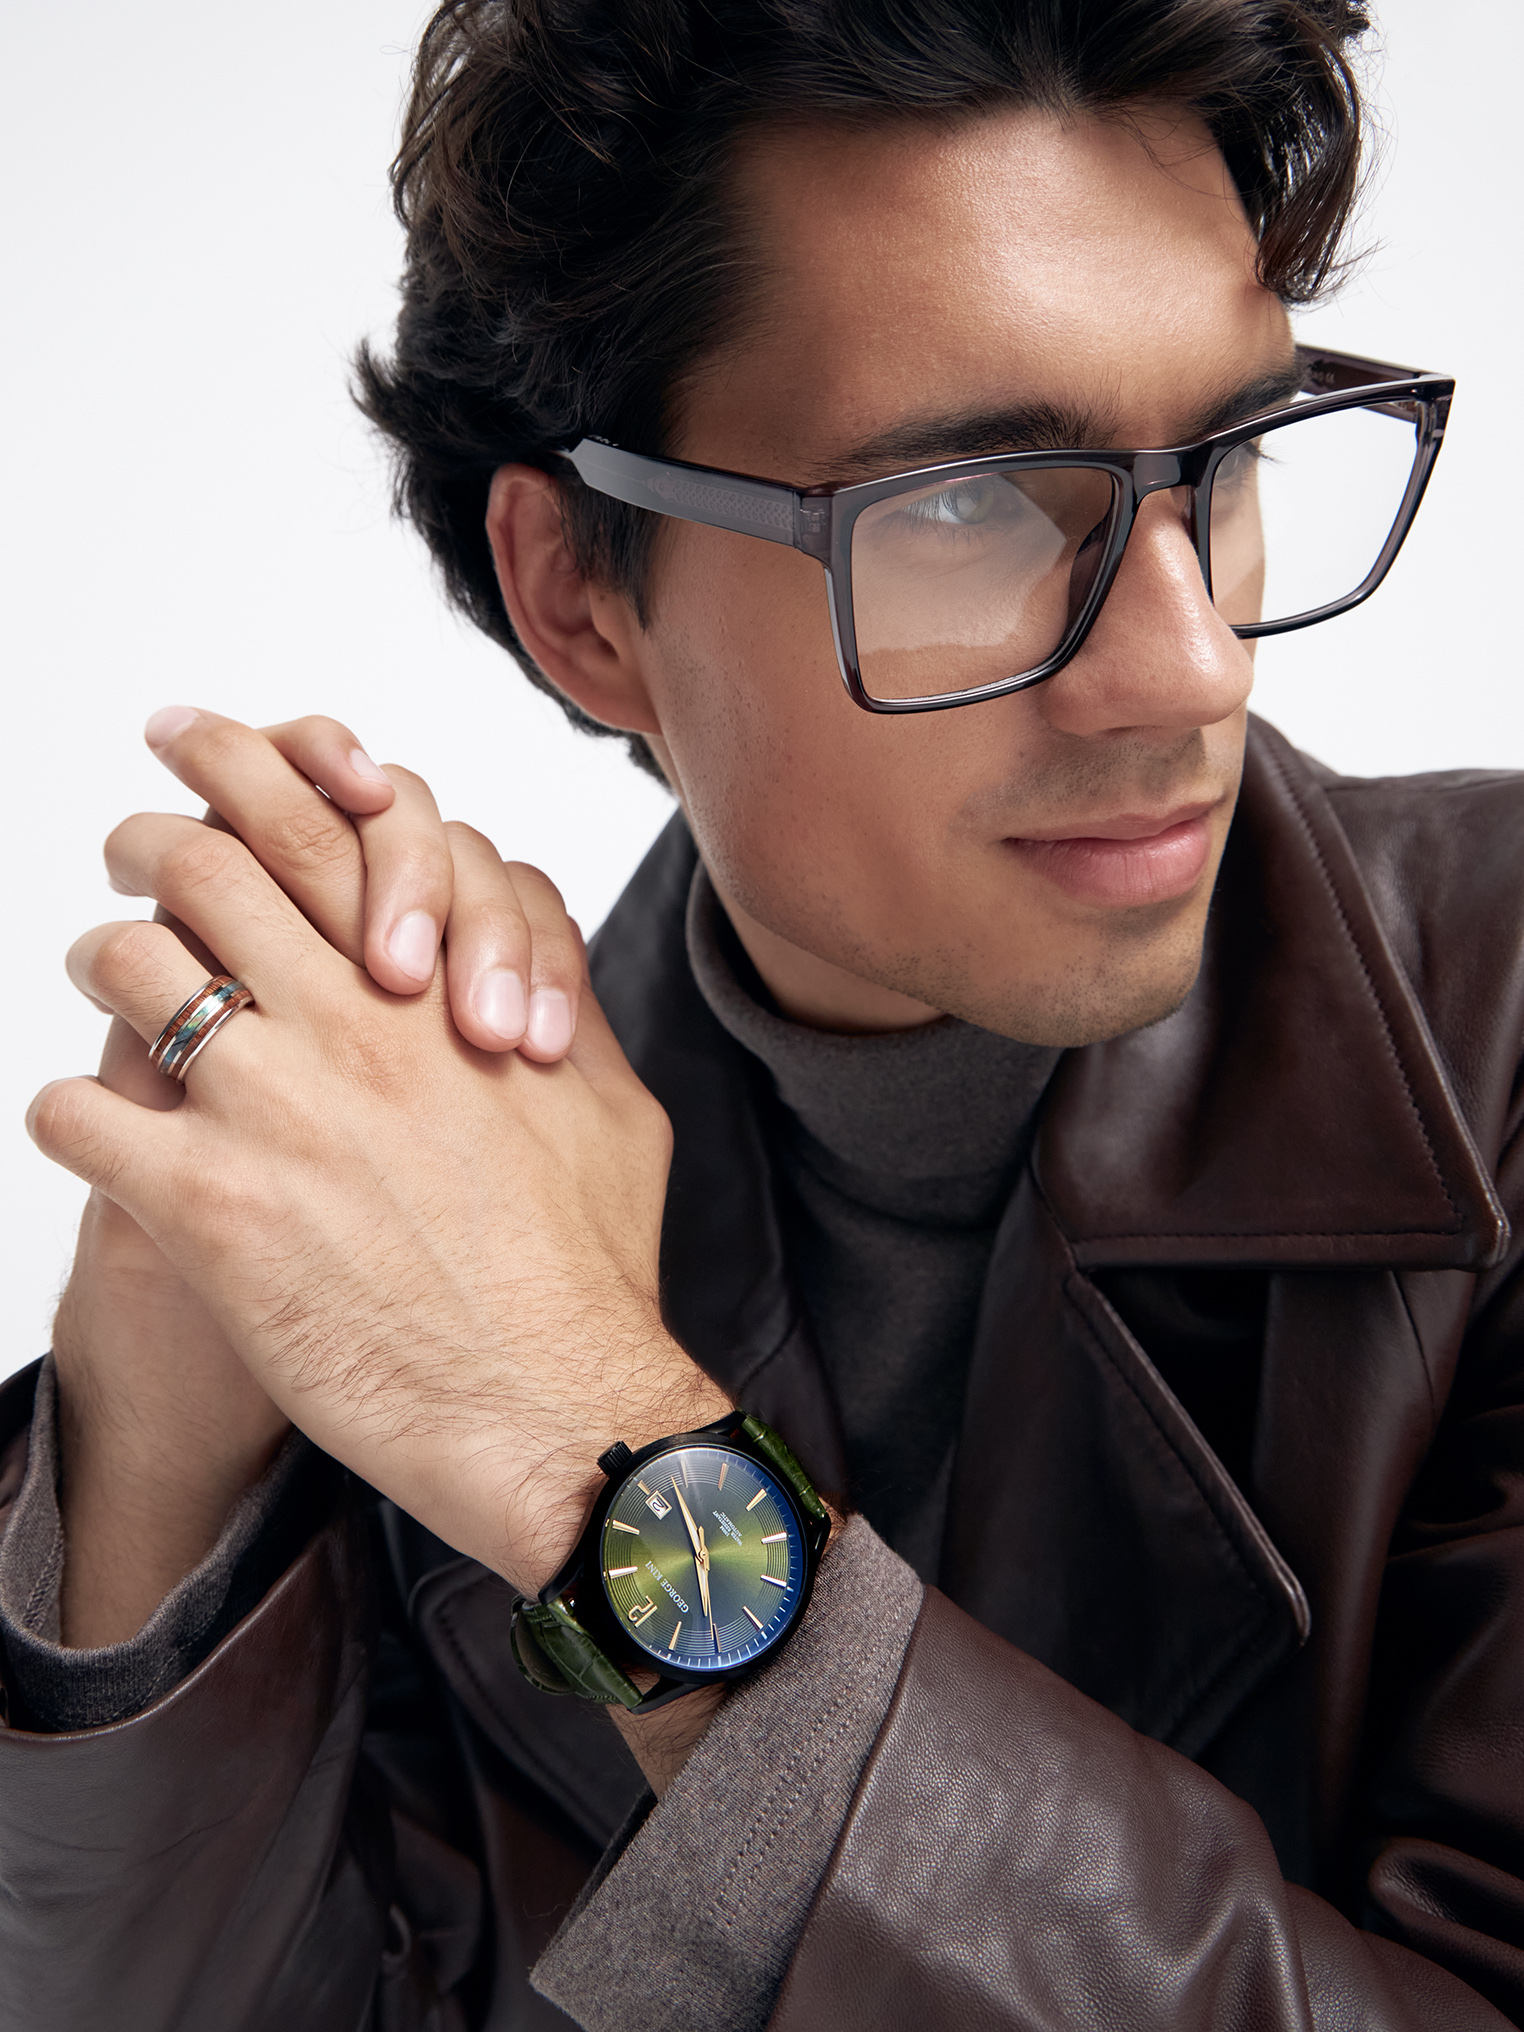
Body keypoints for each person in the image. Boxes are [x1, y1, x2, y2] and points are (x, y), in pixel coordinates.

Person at [2, 0, 1520, 2025]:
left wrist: (604, 1458)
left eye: (1226, 461)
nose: (1191, 666)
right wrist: (154, 1435)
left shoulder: (1504, 1026)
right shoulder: (423, 1198)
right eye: (977, 502)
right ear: (581, 598)